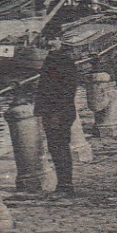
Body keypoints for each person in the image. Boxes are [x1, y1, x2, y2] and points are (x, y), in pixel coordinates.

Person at [34, 36, 81, 195]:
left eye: (53, 40)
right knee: (56, 147)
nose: (49, 43)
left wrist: (54, 113)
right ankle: (64, 184)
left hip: (58, 111)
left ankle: (65, 186)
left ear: (61, 41)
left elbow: (64, 91)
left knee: (59, 147)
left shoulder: (61, 61)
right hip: (55, 111)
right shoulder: (54, 59)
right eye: (48, 40)